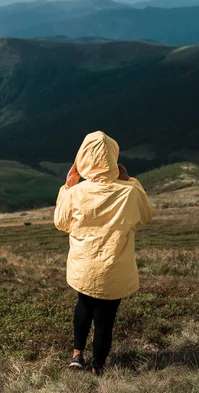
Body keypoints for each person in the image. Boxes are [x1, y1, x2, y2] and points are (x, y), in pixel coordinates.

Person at [54, 131, 154, 375]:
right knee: (105, 319)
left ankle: (77, 356)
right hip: (115, 267)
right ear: (113, 157)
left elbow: (60, 222)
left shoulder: (76, 193)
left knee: (84, 305)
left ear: (82, 158)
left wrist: (67, 186)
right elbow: (145, 215)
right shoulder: (128, 192)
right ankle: (98, 366)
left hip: (84, 266)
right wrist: (130, 181)